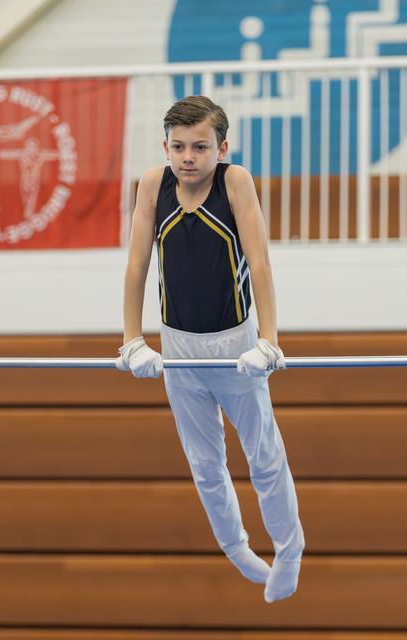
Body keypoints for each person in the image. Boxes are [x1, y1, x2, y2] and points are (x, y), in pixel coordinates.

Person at [116, 95, 305, 603]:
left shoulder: (235, 181)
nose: (188, 157)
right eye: (178, 146)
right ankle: (236, 546)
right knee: (205, 463)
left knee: (263, 455)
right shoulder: (153, 185)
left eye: (200, 146)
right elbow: (137, 267)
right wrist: (133, 340)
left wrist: (269, 341)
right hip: (177, 349)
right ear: (165, 147)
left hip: (236, 347)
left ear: (222, 148)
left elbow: (261, 264)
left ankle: (289, 549)